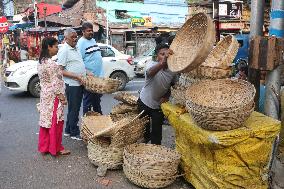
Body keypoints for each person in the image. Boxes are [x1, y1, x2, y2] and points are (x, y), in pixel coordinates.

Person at [137, 43, 176, 145]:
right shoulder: (151, 65)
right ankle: (142, 151)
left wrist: (166, 96)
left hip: (158, 106)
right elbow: (150, 73)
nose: (165, 56)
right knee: (143, 132)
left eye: (166, 54)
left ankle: (155, 154)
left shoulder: (173, 71)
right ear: (157, 56)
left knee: (157, 134)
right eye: (162, 54)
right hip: (144, 102)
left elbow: (170, 86)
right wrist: (163, 62)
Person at [38, 37, 70, 156]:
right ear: (49, 47)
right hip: (53, 97)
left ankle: (45, 147)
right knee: (55, 122)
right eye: (56, 46)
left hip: (45, 95)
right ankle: (56, 148)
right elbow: (55, 83)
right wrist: (62, 97)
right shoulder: (51, 64)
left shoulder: (41, 61)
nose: (57, 49)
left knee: (46, 122)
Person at [57, 28, 86, 141]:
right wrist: (77, 76)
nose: (75, 39)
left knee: (74, 108)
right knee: (74, 109)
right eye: (72, 37)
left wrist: (86, 72)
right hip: (72, 84)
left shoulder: (76, 47)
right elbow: (60, 70)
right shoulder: (64, 50)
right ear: (66, 38)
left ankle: (68, 130)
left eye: (76, 36)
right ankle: (74, 132)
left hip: (78, 83)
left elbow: (79, 63)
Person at [77, 22, 103, 115]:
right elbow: (79, 62)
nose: (91, 32)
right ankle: (87, 120)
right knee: (88, 100)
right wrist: (87, 72)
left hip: (97, 77)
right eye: (88, 31)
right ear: (83, 31)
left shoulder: (92, 40)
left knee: (96, 100)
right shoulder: (81, 43)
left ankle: (99, 118)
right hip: (89, 78)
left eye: (92, 30)